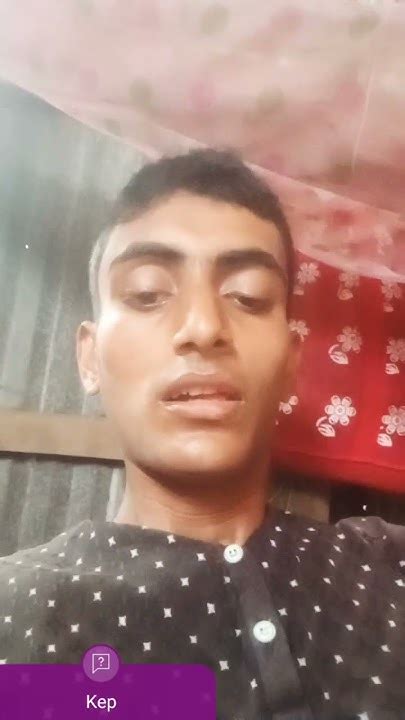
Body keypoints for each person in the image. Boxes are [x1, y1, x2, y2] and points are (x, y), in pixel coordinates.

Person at [0, 148, 404, 720]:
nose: (204, 327)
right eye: (147, 293)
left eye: (248, 297)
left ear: (291, 362)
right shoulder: (16, 612)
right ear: (89, 358)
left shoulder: (386, 565)